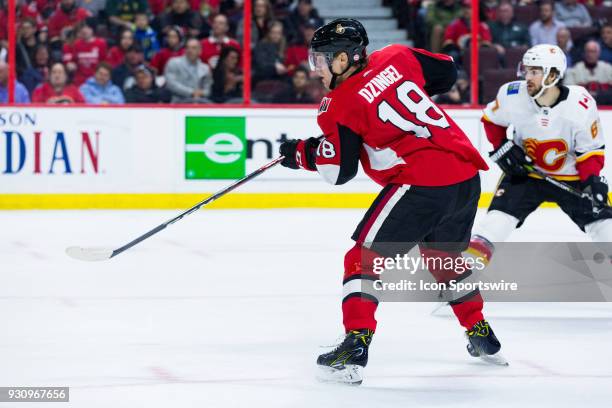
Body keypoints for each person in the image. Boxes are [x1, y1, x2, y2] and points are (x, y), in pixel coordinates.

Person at [278, 18, 505, 385]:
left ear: (347, 58)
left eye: (323, 59)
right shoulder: (396, 56)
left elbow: (339, 171)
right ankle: (480, 333)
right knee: (442, 258)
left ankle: (355, 343)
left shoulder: (337, 104)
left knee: (361, 259)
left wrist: (302, 154)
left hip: (423, 181)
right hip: (465, 175)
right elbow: (448, 72)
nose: (316, 68)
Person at [469, 45, 612, 267]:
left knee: (605, 229)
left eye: (535, 71)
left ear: (553, 75)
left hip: (570, 177)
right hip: (526, 174)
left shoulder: (580, 104)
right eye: (526, 71)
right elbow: (491, 121)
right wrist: (502, 146)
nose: (528, 77)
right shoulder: (512, 94)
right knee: (495, 222)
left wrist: (591, 181)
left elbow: (590, 151)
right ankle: (462, 273)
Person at [164, 37, 212, 103]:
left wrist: (201, 93)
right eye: (187, 47)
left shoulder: (205, 68)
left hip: (199, 101)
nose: (190, 50)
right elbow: (171, 84)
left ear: (200, 51)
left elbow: (208, 90)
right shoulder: (173, 62)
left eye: (194, 48)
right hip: (179, 101)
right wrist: (192, 92)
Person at [62, 19, 107, 86]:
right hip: (80, 80)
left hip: (96, 79)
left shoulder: (101, 43)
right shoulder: (77, 44)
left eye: (88, 28)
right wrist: (70, 65)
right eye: (83, 27)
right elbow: (73, 61)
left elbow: (104, 63)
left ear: (92, 30)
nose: (85, 30)